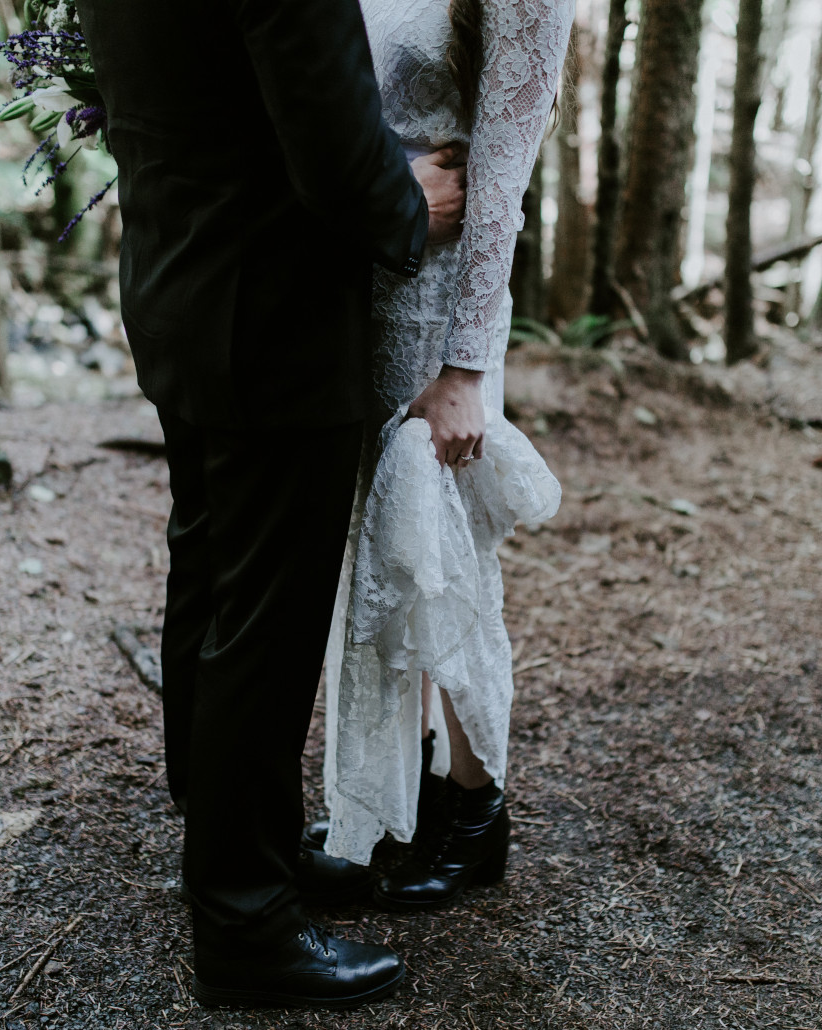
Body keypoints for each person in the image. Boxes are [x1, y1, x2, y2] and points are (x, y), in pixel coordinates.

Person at [74, 0, 469, 1010]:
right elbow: (330, 145)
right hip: (273, 314)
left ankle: (224, 833)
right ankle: (242, 917)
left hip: (175, 282)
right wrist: (409, 206)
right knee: (265, 621)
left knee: (209, 574)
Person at [310, 0, 573, 909]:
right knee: (387, 557)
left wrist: (467, 365)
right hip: (367, 287)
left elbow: (501, 177)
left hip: (440, 309)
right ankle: (398, 798)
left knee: (447, 553)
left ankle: (477, 808)